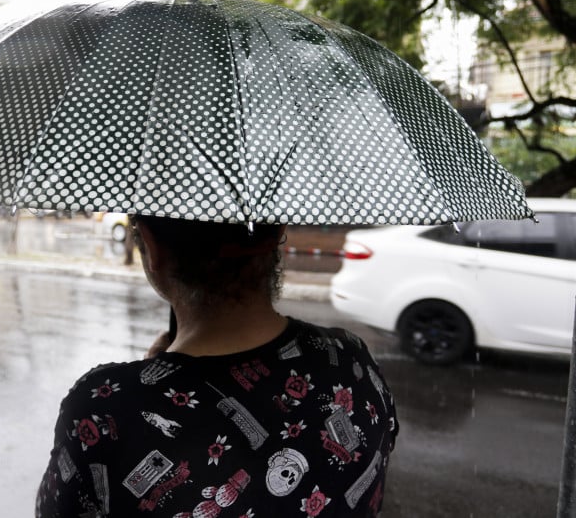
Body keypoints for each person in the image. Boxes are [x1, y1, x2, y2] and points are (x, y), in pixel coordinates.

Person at [36, 215, 398, 517]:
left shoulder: (104, 408)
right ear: (276, 237)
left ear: (152, 247)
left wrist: (148, 388)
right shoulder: (351, 359)